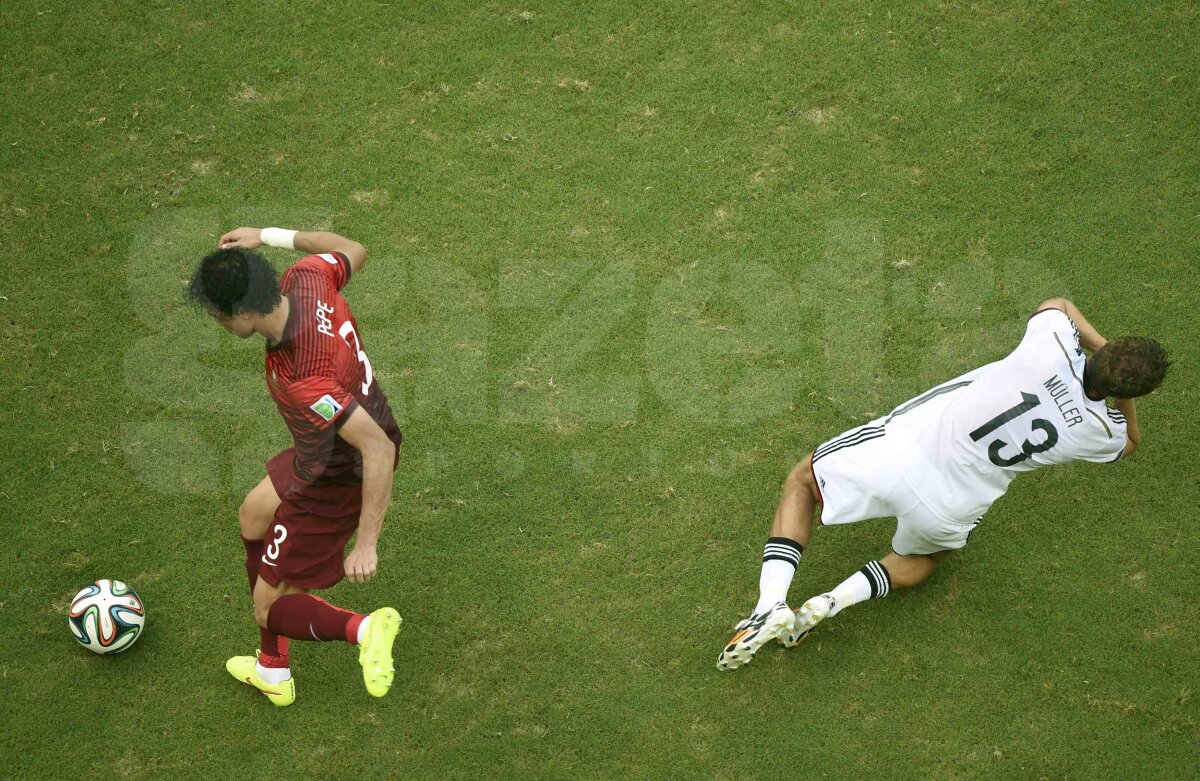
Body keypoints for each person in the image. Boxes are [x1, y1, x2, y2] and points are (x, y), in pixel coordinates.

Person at [718, 299, 1170, 670]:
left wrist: (1106, 351)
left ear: (1104, 353)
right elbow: (1130, 441)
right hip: (954, 502)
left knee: (803, 482)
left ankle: (770, 603)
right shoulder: (1098, 430)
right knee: (925, 556)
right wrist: (1122, 393)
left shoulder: (1050, 345)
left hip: (899, 453)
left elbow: (1059, 304)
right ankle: (831, 602)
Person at [188, 226, 404, 704]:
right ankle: (273, 670)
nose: (216, 322)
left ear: (244, 312)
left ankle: (367, 630)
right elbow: (355, 247)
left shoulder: (308, 378)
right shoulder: (307, 277)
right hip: (322, 449)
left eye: (218, 316)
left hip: (338, 471)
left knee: (268, 610)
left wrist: (366, 543)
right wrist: (268, 234)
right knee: (254, 514)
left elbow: (378, 451)